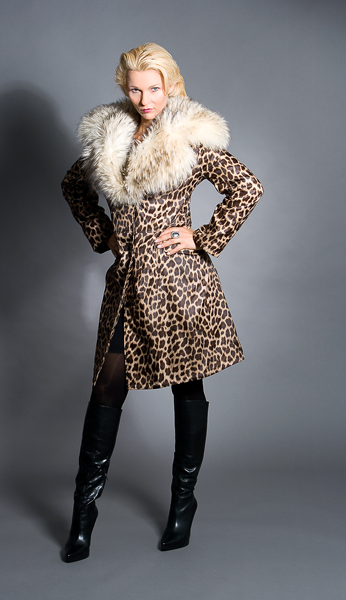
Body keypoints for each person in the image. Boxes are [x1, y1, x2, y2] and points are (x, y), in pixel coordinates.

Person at [60, 43, 264, 562]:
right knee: (107, 386)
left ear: (171, 85)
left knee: (187, 384)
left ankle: (182, 503)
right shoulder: (111, 136)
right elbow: (73, 187)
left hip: (180, 285)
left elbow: (247, 187)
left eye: (154, 87)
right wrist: (103, 233)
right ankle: (83, 514)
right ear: (124, 89)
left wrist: (203, 237)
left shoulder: (188, 135)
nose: (145, 98)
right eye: (135, 88)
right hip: (127, 283)